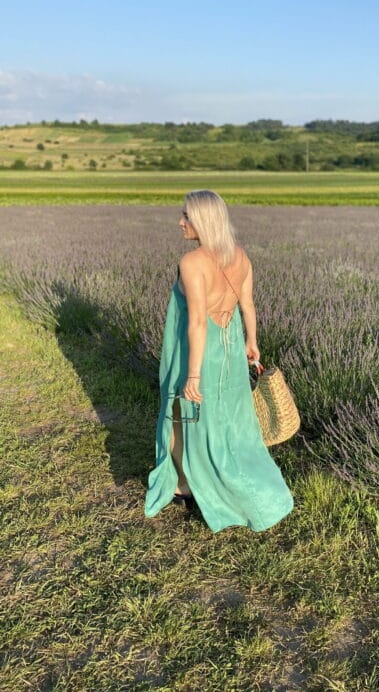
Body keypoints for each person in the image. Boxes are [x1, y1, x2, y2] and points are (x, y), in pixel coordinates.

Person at [144, 190, 293, 532]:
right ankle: (187, 481)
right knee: (227, 418)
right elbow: (247, 305)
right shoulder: (239, 256)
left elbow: (197, 321)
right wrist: (251, 342)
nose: (180, 222)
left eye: (186, 216)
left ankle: (191, 484)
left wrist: (193, 375)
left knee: (184, 410)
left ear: (203, 220)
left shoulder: (192, 262)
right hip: (231, 348)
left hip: (197, 352)